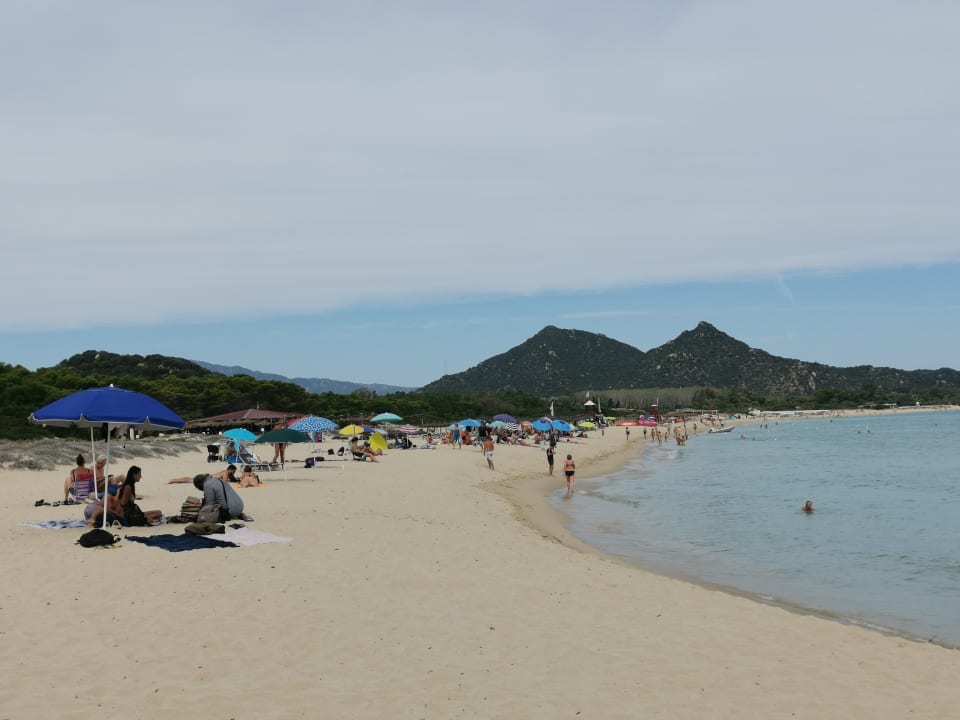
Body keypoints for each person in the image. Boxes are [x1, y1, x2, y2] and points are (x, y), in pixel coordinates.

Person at [168, 465, 238, 484]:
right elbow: (224, 481)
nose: (234, 473)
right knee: (189, 480)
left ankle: (174, 480)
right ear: (230, 470)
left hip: (208, 476)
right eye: (234, 471)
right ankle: (173, 481)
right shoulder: (226, 473)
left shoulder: (225, 471)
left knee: (190, 479)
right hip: (207, 478)